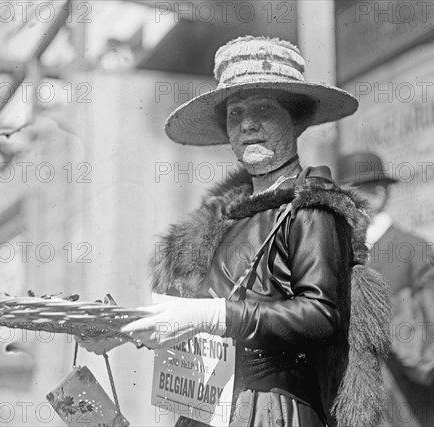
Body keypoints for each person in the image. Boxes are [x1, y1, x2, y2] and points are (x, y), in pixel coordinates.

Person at [80, 36, 391, 427]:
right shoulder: (224, 220)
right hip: (210, 407)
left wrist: (213, 314)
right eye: (235, 113)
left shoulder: (310, 208)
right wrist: (124, 327)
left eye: (264, 108)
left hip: (270, 412)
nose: (247, 124)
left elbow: (321, 315)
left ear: (295, 121)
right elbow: (198, 324)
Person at [337, 152, 434, 427]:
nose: (342, 207)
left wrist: (385, 314)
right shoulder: (339, 254)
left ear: (378, 196)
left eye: (351, 196)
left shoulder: (413, 247)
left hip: (411, 400)